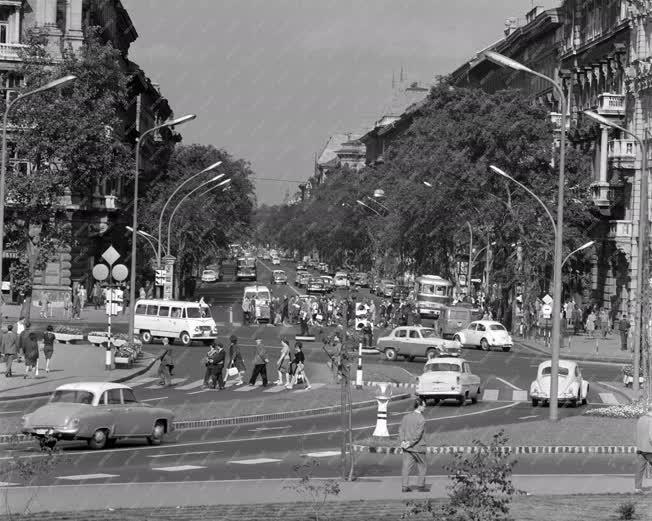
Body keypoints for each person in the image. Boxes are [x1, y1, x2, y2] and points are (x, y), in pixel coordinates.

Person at [399, 397, 427, 493]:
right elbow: (418, 435)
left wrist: (403, 441)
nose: (425, 407)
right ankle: (421, 486)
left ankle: (404, 486)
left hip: (407, 448)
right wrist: (410, 443)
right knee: (422, 466)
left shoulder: (406, 417)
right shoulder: (421, 419)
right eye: (424, 406)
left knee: (406, 467)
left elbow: (401, 430)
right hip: (418, 447)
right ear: (419, 406)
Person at [635, 403, 652, 493]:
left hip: (640, 448)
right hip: (649, 449)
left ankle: (637, 488)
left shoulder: (641, 419)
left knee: (639, 469)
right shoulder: (651, 420)